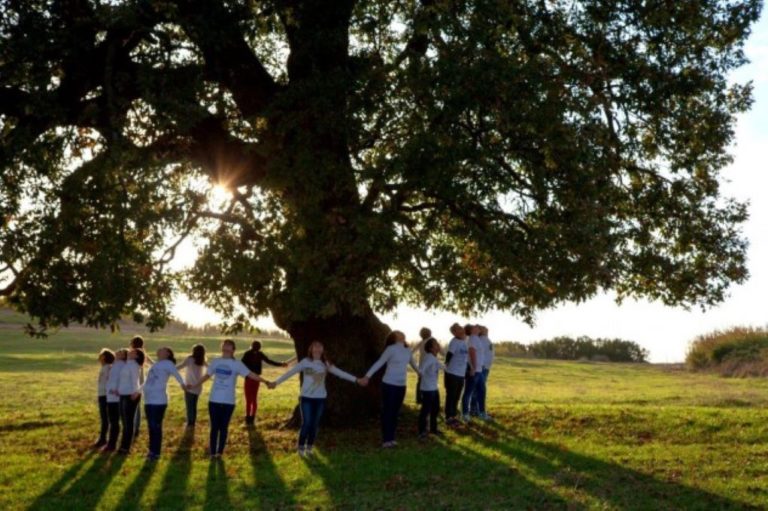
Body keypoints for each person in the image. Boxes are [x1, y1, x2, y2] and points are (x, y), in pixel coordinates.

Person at [269, 341, 364, 457]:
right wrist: (276, 382)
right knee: (307, 423)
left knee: (314, 424)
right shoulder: (305, 362)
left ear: (323, 349)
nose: (317, 348)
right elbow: (290, 373)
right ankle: (300, 447)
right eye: (315, 346)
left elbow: (341, 373)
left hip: (320, 399)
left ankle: (309, 447)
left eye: (320, 346)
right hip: (306, 398)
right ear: (311, 349)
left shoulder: (326, 364)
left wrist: (356, 380)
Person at [192, 339, 271, 459]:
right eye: (224, 345)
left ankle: (219, 453)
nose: (226, 348)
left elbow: (251, 374)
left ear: (233, 350)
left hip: (229, 401)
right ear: (221, 348)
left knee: (223, 427)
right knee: (214, 428)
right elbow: (207, 376)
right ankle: (212, 453)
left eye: (229, 346)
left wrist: (265, 381)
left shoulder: (237, 364)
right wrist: (194, 385)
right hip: (214, 400)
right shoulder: (216, 361)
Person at [363, 330, 419, 448]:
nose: (401, 333)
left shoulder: (407, 350)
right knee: (388, 411)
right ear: (394, 338)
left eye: (402, 332)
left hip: (401, 385)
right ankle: (386, 440)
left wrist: (421, 373)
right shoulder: (391, 349)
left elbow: (414, 365)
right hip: (389, 384)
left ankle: (392, 438)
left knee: (395, 412)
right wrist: (367, 376)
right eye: (398, 333)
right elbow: (379, 363)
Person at [141, 347, 185, 460]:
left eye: (162, 350)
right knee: (151, 426)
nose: (159, 350)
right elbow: (147, 381)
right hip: (149, 400)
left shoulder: (168, 364)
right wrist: (137, 391)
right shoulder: (156, 365)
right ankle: (151, 451)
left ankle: (156, 452)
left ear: (168, 354)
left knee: (155, 426)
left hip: (158, 400)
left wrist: (183, 385)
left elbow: (177, 374)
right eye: (159, 349)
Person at [241, 340, 289, 425]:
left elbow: (241, 365)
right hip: (257, 379)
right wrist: (281, 364)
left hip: (248, 378)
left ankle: (248, 418)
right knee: (254, 399)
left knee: (248, 399)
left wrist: (246, 372)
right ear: (260, 347)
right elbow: (269, 361)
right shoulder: (260, 354)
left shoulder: (247, 353)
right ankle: (252, 418)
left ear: (251, 345)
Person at [117, 348, 145, 454]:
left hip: (131, 395)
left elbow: (135, 381)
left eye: (133, 352)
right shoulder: (128, 364)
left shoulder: (134, 365)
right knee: (124, 421)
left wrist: (135, 392)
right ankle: (123, 445)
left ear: (137, 356)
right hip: (124, 394)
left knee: (128, 423)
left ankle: (125, 447)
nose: (130, 351)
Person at [418, 338, 445, 439]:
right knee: (425, 410)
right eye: (435, 344)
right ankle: (422, 432)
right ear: (430, 348)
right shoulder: (429, 357)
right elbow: (422, 369)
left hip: (434, 388)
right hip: (427, 389)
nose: (438, 345)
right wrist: (420, 372)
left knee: (435, 409)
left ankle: (433, 429)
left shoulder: (433, 358)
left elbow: (443, 367)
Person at [444, 323, 469, 427]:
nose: (462, 329)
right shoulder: (455, 342)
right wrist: (446, 366)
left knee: (457, 396)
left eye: (461, 327)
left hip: (460, 374)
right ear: (454, 332)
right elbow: (449, 355)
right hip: (452, 373)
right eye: (458, 329)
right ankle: (448, 417)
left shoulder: (464, 341)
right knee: (451, 395)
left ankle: (453, 416)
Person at [177, 344, 207, 427]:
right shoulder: (202, 361)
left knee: (189, 406)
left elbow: (180, 366)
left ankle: (190, 422)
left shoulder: (190, 359)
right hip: (198, 387)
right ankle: (192, 421)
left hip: (189, 386)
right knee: (194, 406)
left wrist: (171, 369)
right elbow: (210, 368)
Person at [104, 349, 127, 452]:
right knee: (112, 420)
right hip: (110, 396)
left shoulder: (122, 365)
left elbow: (122, 379)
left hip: (116, 397)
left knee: (114, 421)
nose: (118, 352)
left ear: (124, 356)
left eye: (121, 352)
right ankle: (111, 443)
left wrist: (119, 389)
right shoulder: (115, 364)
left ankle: (112, 444)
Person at [461, 324, 485, 422]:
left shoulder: (476, 338)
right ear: (471, 330)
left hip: (479, 370)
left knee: (481, 391)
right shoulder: (473, 338)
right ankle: (465, 414)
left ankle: (482, 412)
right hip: (474, 370)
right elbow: (472, 352)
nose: (477, 326)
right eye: (475, 326)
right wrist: (474, 367)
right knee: (468, 392)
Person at [411, 327, 441, 405]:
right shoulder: (432, 341)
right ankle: (430, 399)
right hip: (431, 366)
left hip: (422, 365)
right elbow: (441, 350)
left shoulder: (421, 342)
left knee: (420, 382)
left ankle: (419, 399)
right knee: (432, 381)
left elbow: (413, 351)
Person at [129, 336, 152, 439]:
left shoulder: (134, 353)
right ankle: (136, 427)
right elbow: (152, 363)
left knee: (135, 406)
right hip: (140, 381)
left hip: (134, 382)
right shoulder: (143, 353)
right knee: (137, 406)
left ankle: (134, 427)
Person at [94, 348, 115, 448]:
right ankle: (103, 438)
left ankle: (103, 439)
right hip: (102, 394)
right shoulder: (104, 367)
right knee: (104, 418)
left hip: (106, 395)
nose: (99, 356)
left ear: (105, 357)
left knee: (106, 418)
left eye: (101, 355)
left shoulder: (109, 368)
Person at [471, 325, 493, 420]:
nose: (486, 328)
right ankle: (475, 409)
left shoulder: (486, 339)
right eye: (483, 328)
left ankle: (475, 409)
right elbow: (480, 354)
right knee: (479, 390)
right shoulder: (481, 339)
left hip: (486, 368)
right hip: (482, 368)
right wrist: (482, 365)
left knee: (479, 389)